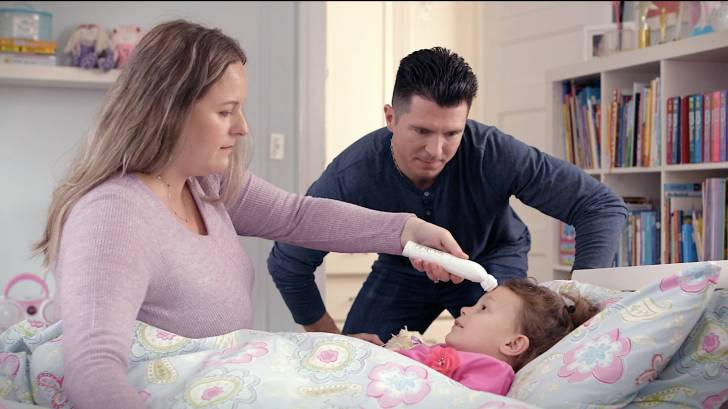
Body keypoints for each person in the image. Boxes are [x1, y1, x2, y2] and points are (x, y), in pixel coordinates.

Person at [33, 21, 467, 409]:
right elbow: (93, 367)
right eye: (225, 112)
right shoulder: (112, 219)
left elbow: (296, 216)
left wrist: (407, 230)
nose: (242, 127)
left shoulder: (203, 185)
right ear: (167, 112)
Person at [267, 47, 628, 344]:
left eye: (452, 133)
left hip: (490, 262)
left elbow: (600, 205)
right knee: (356, 365)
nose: (436, 150)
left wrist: (584, 298)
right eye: (421, 131)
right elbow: (288, 263)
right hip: (401, 272)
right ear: (391, 118)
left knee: (508, 360)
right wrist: (328, 340)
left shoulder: (493, 151)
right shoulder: (352, 174)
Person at [392, 278, 599, 395]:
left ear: (512, 343)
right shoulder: (442, 350)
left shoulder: (492, 371)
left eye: (483, 308)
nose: (464, 309)